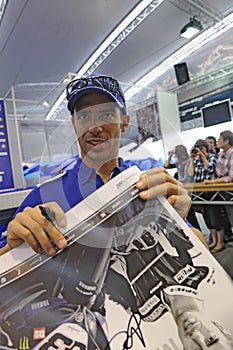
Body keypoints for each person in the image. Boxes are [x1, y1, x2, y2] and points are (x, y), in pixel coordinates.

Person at [0, 75, 230, 349]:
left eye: (106, 114)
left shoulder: (149, 180)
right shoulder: (45, 195)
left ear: (124, 120)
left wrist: (180, 218)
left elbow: (202, 258)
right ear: (74, 124)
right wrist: (14, 245)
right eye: (84, 116)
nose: (95, 126)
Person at [187, 139, 225, 252]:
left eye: (200, 148)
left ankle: (220, 242)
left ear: (204, 148)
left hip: (212, 192)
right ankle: (213, 241)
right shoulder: (196, 160)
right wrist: (192, 159)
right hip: (200, 193)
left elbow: (210, 169)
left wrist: (203, 157)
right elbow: (190, 174)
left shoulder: (213, 157)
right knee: (208, 219)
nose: (198, 151)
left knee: (216, 218)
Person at [164, 145, 202, 231]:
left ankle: (197, 231)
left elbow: (188, 176)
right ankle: (194, 231)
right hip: (183, 188)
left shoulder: (189, 161)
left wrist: (178, 183)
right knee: (188, 215)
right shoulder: (178, 162)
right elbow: (166, 166)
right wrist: (170, 155)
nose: (175, 156)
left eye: (176, 154)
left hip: (188, 188)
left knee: (191, 215)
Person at [204, 130, 233, 240]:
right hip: (224, 191)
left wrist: (213, 181)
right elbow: (218, 173)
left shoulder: (232, 154)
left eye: (219, 139)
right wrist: (215, 179)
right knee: (228, 216)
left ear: (226, 141)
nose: (217, 142)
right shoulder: (221, 155)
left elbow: (230, 177)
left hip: (230, 190)